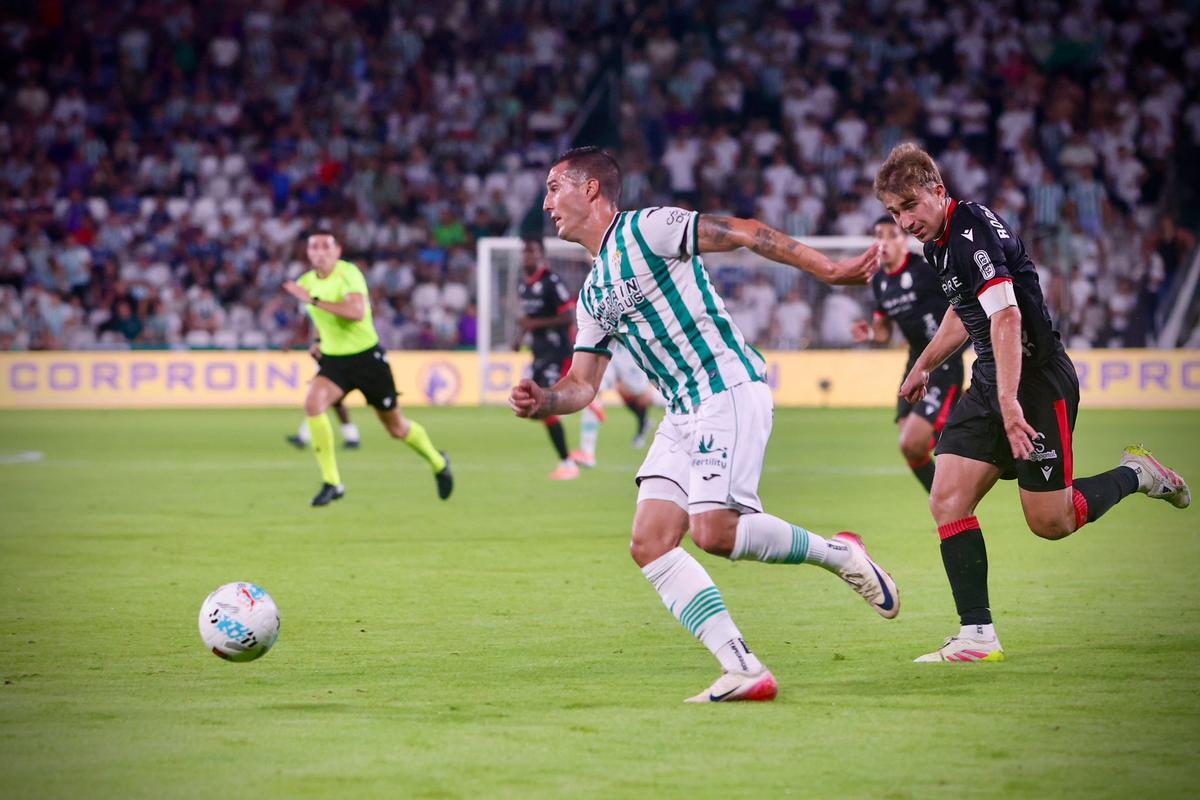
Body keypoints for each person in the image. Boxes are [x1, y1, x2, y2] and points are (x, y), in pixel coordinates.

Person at [510, 147, 900, 703]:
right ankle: (743, 669)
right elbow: (582, 385)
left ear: (591, 189)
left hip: (726, 388)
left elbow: (743, 232)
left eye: (554, 188)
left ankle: (841, 555)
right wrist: (543, 399)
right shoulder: (594, 292)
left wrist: (831, 271)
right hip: (682, 410)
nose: (546, 202)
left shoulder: (649, 229)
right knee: (649, 543)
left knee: (713, 532)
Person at [875, 143, 1190, 663]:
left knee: (1051, 522)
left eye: (910, 206)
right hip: (994, 378)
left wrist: (1010, 400)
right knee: (947, 497)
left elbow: (1007, 318)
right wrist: (925, 361)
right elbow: (965, 310)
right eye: (894, 213)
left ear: (937, 190)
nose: (905, 221)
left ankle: (1137, 474)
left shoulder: (971, 227)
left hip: (1038, 384)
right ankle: (976, 635)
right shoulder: (938, 245)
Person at [283, 231, 453, 506]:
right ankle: (332, 482)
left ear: (337, 251)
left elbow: (356, 313)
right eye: (314, 246)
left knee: (396, 428)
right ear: (308, 253)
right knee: (313, 403)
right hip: (335, 361)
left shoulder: (348, 274)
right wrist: (315, 340)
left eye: (326, 246)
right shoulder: (306, 282)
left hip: (367, 359)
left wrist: (312, 299)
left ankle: (438, 461)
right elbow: (315, 318)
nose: (320, 251)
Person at [852, 217, 965, 492]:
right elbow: (884, 334)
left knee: (912, 441)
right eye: (879, 235)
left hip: (943, 361)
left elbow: (961, 302)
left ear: (904, 241)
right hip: (915, 361)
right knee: (912, 446)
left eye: (892, 235)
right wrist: (869, 333)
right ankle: (943, 497)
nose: (884, 242)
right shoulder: (879, 282)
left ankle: (948, 493)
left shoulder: (924, 271)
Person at [513, 236, 581, 480]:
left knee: (542, 405)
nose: (527, 257)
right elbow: (527, 318)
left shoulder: (551, 282)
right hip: (539, 353)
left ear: (541, 255)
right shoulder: (524, 285)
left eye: (531, 252)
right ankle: (568, 459)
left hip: (558, 352)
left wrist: (534, 324)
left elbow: (567, 317)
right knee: (533, 410)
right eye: (525, 252)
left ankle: (568, 463)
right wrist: (519, 337)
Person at [286, 316, 361, 450]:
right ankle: (351, 436)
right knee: (334, 401)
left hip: (333, 354)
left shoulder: (317, 303)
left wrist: (294, 342)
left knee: (322, 398)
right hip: (330, 352)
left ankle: (304, 436)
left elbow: (306, 325)